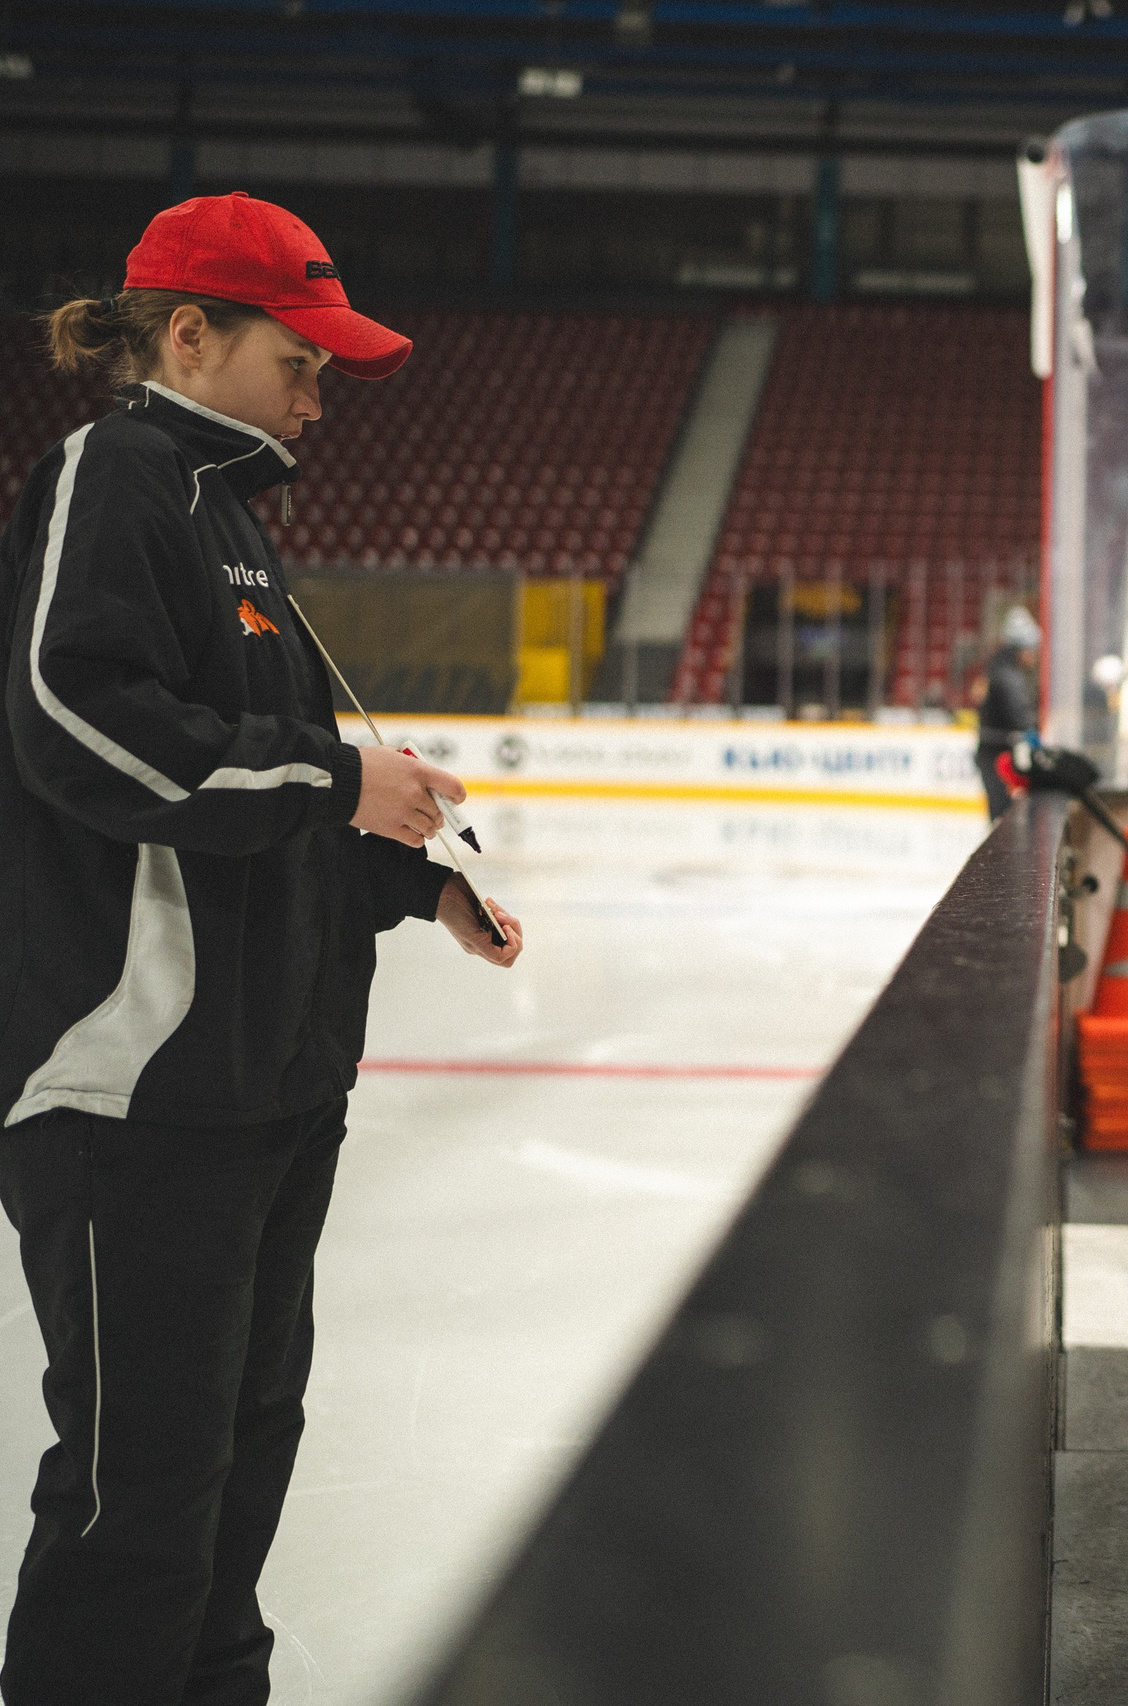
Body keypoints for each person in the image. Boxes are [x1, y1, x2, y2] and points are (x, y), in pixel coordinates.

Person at [0, 192, 527, 1706]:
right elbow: (75, 722)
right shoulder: (114, 475)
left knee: (236, 1461)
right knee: (141, 1496)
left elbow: (247, 810)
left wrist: (402, 882)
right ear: (188, 334)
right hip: (139, 1099)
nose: (322, 389)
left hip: (265, 1091)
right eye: (304, 357)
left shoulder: (228, 513)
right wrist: (332, 777)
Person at [975, 604, 1042, 817]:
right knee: (1002, 813)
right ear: (1021, 648)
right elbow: (1020, 719)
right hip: (997, 755)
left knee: (1001, 811)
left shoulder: (1000, 669)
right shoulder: (1007, 677)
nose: (1034, 655)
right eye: (1032, 649)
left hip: (993, 752)